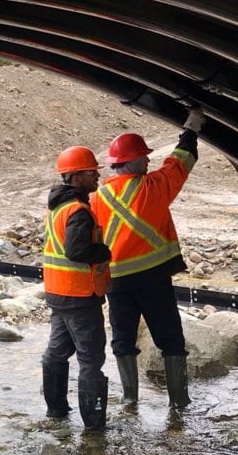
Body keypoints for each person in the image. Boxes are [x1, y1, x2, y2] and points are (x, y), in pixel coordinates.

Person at [90, 108, 206, 409]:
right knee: (171, 340)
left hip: (117, 282)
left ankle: (130, 401)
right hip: (153, 278)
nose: (148, 161)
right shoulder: (153, 186)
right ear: (135, 161)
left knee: (123, 341)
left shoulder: (98, 197)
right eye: (145, 157)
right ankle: (179, 402)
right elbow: (181, 162)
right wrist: (191, 130)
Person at [42, 146, 112, 431]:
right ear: (75, 177)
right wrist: (104, 252)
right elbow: (77, 251)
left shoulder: (59, 206)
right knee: (91, 359)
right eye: (91, 171)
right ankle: (94, 429)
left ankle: (56, 411)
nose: (97, 175)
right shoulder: (79, 211)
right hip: (80, 295)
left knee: (56, 352)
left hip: (58, 293)